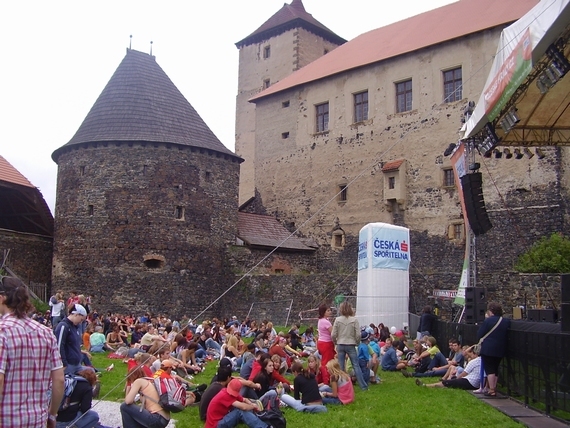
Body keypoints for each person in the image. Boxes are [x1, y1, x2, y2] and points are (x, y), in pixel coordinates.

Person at [0, 276, 65, 428]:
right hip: (37, 419)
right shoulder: (46, 332)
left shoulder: (2, 331)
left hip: (6, 419)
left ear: (2, 298)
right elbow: (59, 379)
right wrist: (52, 414)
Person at [331, 300, 368, 390]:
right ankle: (363, 386)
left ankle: (342, 385)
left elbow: (333, 334)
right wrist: (357, 342)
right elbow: (358, 334)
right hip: (351, 344)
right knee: (356, 365)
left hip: (340, 343)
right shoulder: (354, 320)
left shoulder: (337, 319)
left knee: (341, 366)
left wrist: (335, 342)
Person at [477, 302, 510, 397]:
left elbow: (480, 334)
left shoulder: (488, 321)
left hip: (488, 348)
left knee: (489, 368)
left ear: (491, 311)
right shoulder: (506, 321)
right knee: (496, 368)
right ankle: (494, 387)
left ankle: (491, 390)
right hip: (500, 348)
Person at [417, 345, 481, 390]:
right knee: (451, 381)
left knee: (448, 382)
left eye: (472, 353)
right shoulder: (482, 361)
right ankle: (445, 383)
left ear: (475, 354)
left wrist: (456, 380)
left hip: (470, 381)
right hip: (474, 383)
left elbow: (463, 374)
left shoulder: (473, 362)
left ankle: (426, 385)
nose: (470, 355)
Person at [55, 304, 94, 375]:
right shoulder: (63, 326)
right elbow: (59, 346)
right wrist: (63, 364)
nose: (81, 322)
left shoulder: (75, 327)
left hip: (77, 364)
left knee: (91, 372)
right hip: (67, 365)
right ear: (76, 315)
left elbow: (74, 345)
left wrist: (82, 352)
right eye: (81, 319)